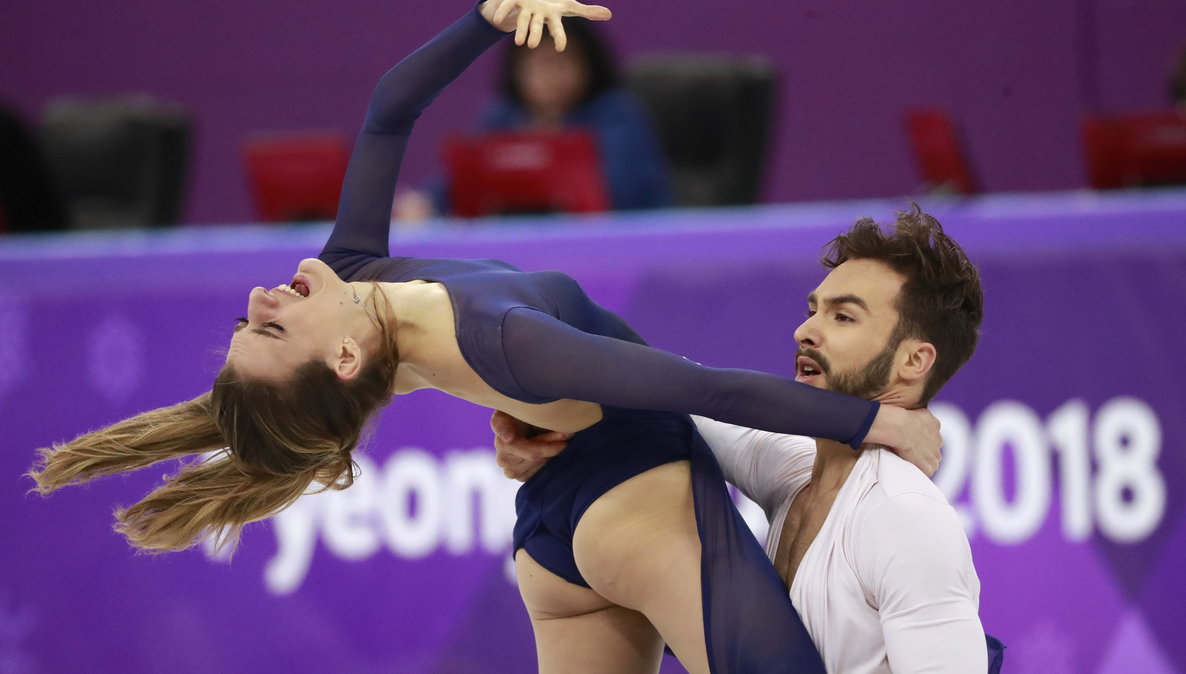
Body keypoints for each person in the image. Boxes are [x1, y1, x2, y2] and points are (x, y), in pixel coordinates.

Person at [27, 2, 942, 672]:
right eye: (273, 324)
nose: (267, 291)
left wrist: (487, 16)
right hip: (635, 505)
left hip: (551, 542)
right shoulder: (503, 341)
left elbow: (388, 112)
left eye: (248, 317)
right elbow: (701, 388)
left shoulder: (360, 285)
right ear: (341, 358)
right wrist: (872, 425)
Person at [495, 209, 1005, 672]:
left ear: (914, 361)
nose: (806, 330)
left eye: (843, 317)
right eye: (815, 309)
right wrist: (542, 425)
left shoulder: (903, 515)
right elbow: (675, 390)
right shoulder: (795, 469)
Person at [393, 12, 673, 219]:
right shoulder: (503, 116)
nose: (551, 76)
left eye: (562, 63)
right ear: (517, 71)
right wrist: (425, 202)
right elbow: (463, 180)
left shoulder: (617, 114)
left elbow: (621, 195)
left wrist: (549, 149)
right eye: (539, 65)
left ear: (589, 66)